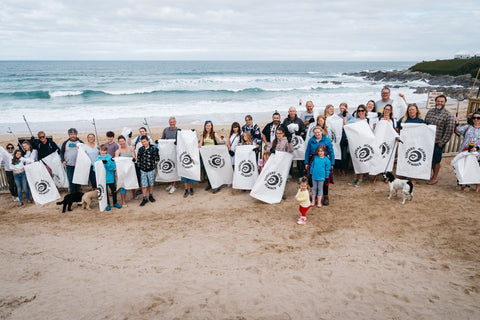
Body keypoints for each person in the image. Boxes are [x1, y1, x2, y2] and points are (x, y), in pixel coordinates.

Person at [424, 94, 455, 185]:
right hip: (428, 141)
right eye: (438, 101)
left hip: (438, 142)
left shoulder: (448, 115)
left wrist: (442, 142)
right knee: (429, 159)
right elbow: (426, 124)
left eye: (441, 101)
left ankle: (434, 177)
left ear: (445, 103)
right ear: (435, 102)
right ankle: (428, 175)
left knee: (436, 161)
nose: (439, 103)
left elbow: (449, 130)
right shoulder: (430, 112)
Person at [304, 126, 334, 205]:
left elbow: (331, 152)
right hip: (313, 160)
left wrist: (332, 163)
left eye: (318, 132)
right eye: (315, 132)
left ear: (322, 132)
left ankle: (325, 196)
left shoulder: (326, 140)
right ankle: (315, 194)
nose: (317, 134)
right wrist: (306, 162)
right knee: (312, 179)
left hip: (324, 161)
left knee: (324, 180)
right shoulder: (311, 140)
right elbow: (307, 152)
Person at [454, 111, 480, 192]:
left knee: (470, 167)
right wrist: (456, 122)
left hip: (475, 153)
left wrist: (477, 148)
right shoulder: (468, 127)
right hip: (464, 150)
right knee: (461, 166)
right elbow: (458, 130)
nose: (476, 119)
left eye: (478, 118)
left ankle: (468, 184)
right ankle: (460, 183)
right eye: (474, 118)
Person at [199, 120, 224, 193]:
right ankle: (210, 184)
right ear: (205, 126)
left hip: (212, 155)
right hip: (205, 155)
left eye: (209, 125)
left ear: (211, 126)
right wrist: (199, 145)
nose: (208, 127)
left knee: (213, 170)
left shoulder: (214, 134)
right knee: (207, 170)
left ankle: (215, 186)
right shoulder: (202, 134)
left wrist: (226, 142)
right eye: (206, 125)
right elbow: (200, 143)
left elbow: (220, 141)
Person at [94, 144, 121, 211]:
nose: (103, 152)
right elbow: (95, 169)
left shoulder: (109, 157)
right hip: (102, 179)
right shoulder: (97, 159)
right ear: (99, 151)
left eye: (104, 150)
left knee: (113, 191)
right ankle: (107, 204)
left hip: (110, 177)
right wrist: (100, 164)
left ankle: (115, 202)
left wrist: (107, 163)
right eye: (101, 150)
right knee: (104, 192)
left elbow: (113, 167)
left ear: (106, 151)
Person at [347, 105, 369, 187]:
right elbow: (346, 125)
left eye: (362, 110)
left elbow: (371, 131)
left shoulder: (368, 120)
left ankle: (360, 179)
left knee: (362, 161)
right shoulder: (354, 120)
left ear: (365, 111)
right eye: (359, 111)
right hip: (355, 143)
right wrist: (345, 116)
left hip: (364, 143)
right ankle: (355, 178)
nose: (360, 112)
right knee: (355, 161)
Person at [284, 106, 306, 180]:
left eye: (293, 111)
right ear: (288, 112)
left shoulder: (299, 120)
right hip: (289, 141)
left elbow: (303, 130)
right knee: (289, 158)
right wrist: (288, 136)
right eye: (291, 111)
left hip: (298, 142)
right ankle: (289, 174)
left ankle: (300, 175)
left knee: (299, 159)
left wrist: (299, 133)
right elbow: (284, 130)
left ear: (296, 112)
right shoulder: (286, 121)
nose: (292, 112)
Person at [136, 135, 159, 206]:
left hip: (151, 170)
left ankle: (151, 196)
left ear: (148, 141)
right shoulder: (140, 149)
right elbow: (138, 159)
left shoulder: (153, 149)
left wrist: (156, 152)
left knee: (151, 183)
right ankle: (144, 198)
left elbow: (157, 159)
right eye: (142, 142)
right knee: (144, 185)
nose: (144, 143)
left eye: (145, 142)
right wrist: (140, 168)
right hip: (143, 170)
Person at [115, 135, 137, 206]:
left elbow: (134, 157)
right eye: (120, 142)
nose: (121, 142)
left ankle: (134, 195)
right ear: (118, 142)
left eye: (122, 141)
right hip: (123, 171)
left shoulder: (131, 148)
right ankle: (123, 201)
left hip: (131, 169)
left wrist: (133, 159)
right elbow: (116, 160)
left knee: (132, 182)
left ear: (125, 141)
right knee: (123, 185)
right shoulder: (118, 151)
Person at [60, 128, 83, 194]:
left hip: (78, 165)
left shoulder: (80, 142)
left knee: (78, 181)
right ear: (69, 135)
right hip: (69, 165)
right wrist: (63, 161)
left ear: (76, 135)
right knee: (71, 180)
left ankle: (78, 195)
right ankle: (73, 195)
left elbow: (84, 152)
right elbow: (62, 152)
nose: (73, 136)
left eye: (74, 134)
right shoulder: (65, 143)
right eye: (71, 134)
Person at [162, 116, 180, 194]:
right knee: (170, 167)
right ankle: (171, 183)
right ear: (169, 123)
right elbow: (162, 139)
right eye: (170, 122)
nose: (172, 123)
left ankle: (174, 185)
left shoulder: (179, 130)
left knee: (175, 168)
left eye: (173, 122)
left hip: (176, 152)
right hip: (168, 152)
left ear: (175, 122)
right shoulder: (165, 130)